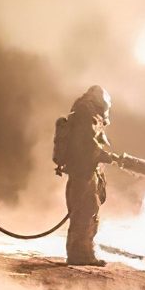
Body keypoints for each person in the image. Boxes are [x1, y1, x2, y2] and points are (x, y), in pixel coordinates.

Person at [60, 85, 117, 266]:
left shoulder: (82, 111)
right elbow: (87, 144)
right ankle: (81, 255)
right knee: (86, 211)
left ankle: (80, 253)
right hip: (84, 171)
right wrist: (107, 157)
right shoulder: (86, 113)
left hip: (83, 170)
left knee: (85, 211)